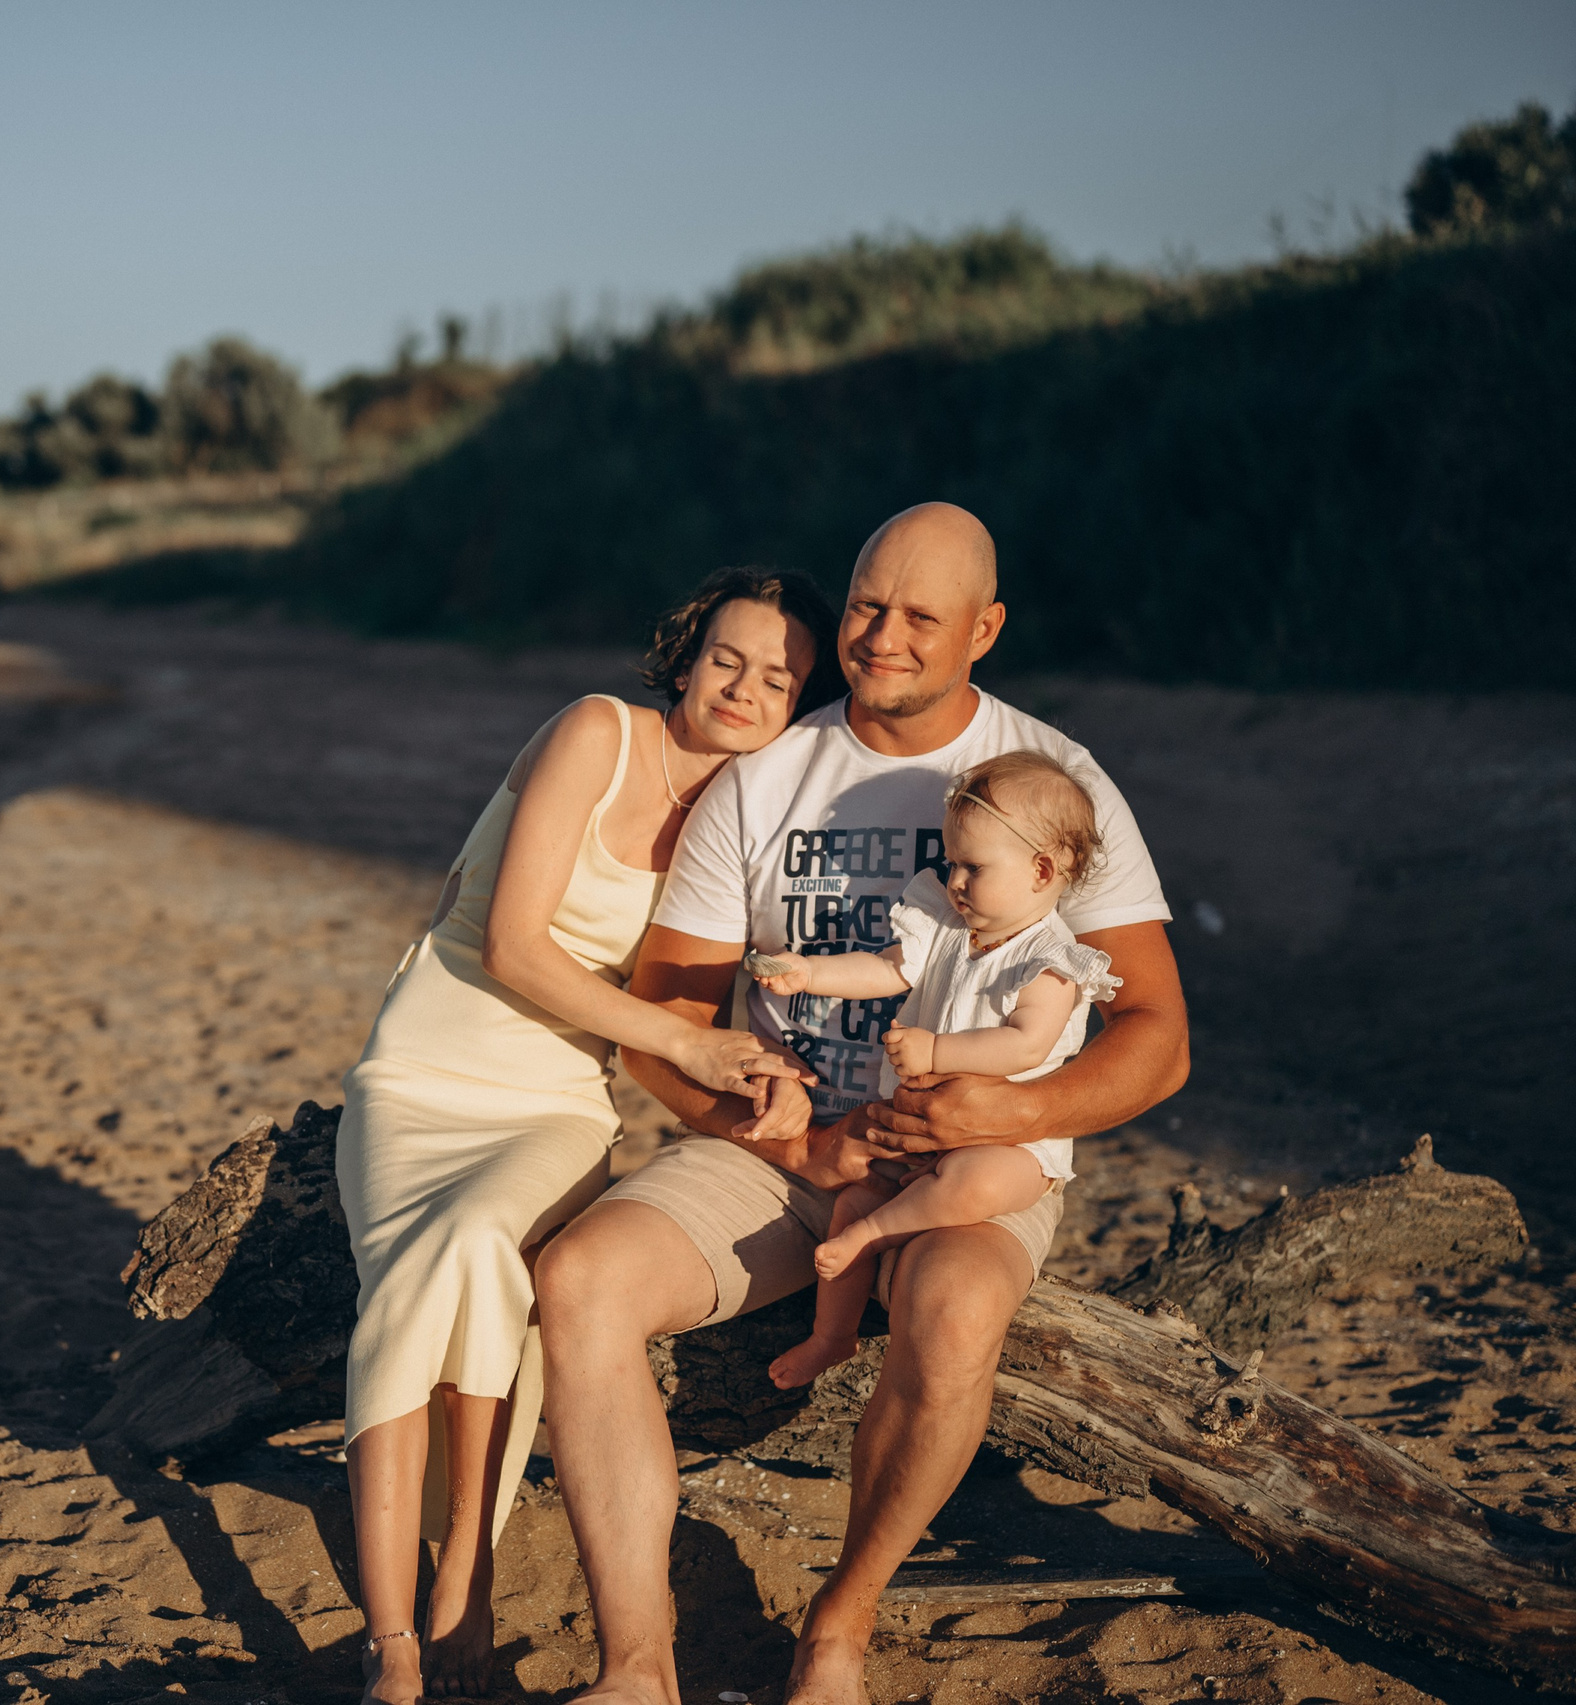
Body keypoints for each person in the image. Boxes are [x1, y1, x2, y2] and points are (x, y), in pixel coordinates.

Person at [534, 502, 1190, 1705]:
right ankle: (634, 1669)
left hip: (964, 1160)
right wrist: (767, 1121)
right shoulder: (767, 774)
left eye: (920, 616)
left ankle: (839, 1622)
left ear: (984, 628)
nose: (879, 637)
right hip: (779, 1149)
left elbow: (1156, 1039)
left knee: (946, 1316)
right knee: (578, 1278)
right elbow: (662, 1021)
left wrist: (993, 1115)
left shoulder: (1053, 782)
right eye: (865, 605)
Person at [340, 567, 839, 1704]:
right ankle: (394, 1647)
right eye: (728, 658)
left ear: (800, 702)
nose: (745, 688)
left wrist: (763, 1073)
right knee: (430, 1269)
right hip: (423, 1072)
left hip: (560, 1099)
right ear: (684, 654)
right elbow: (515, 947)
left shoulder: (748, 816)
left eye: (778, 677)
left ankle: (460, 1572)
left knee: (479, 1245)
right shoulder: (594, 734)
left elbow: (696, 1008)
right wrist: (697, 1048)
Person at [751, 750, 1123, 1391]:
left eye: (972, 867)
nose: (953, 880)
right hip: (916, 1129)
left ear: (1041, 869)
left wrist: (936, 1054)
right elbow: (888, 969)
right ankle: (830, 1336)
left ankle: (877, 1231)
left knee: (975, 1181)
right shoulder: (947, 925)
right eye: (952, 863)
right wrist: (811, 973)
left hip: (1006, 1141)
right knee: (853, 1195)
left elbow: (1026, 1046)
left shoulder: (1053, 961)